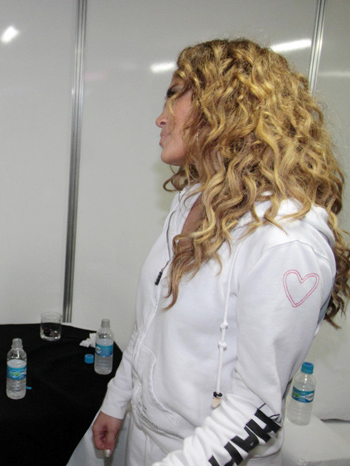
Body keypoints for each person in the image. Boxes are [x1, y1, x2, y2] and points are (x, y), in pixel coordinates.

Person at [71, 38, 350, 465]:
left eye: (173, 94)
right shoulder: (194, 200)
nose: (160, 118)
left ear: (225, 105)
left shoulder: (285, 239)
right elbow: (152, 323)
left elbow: (255, 408)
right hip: (147, 437)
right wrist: (118, 400)